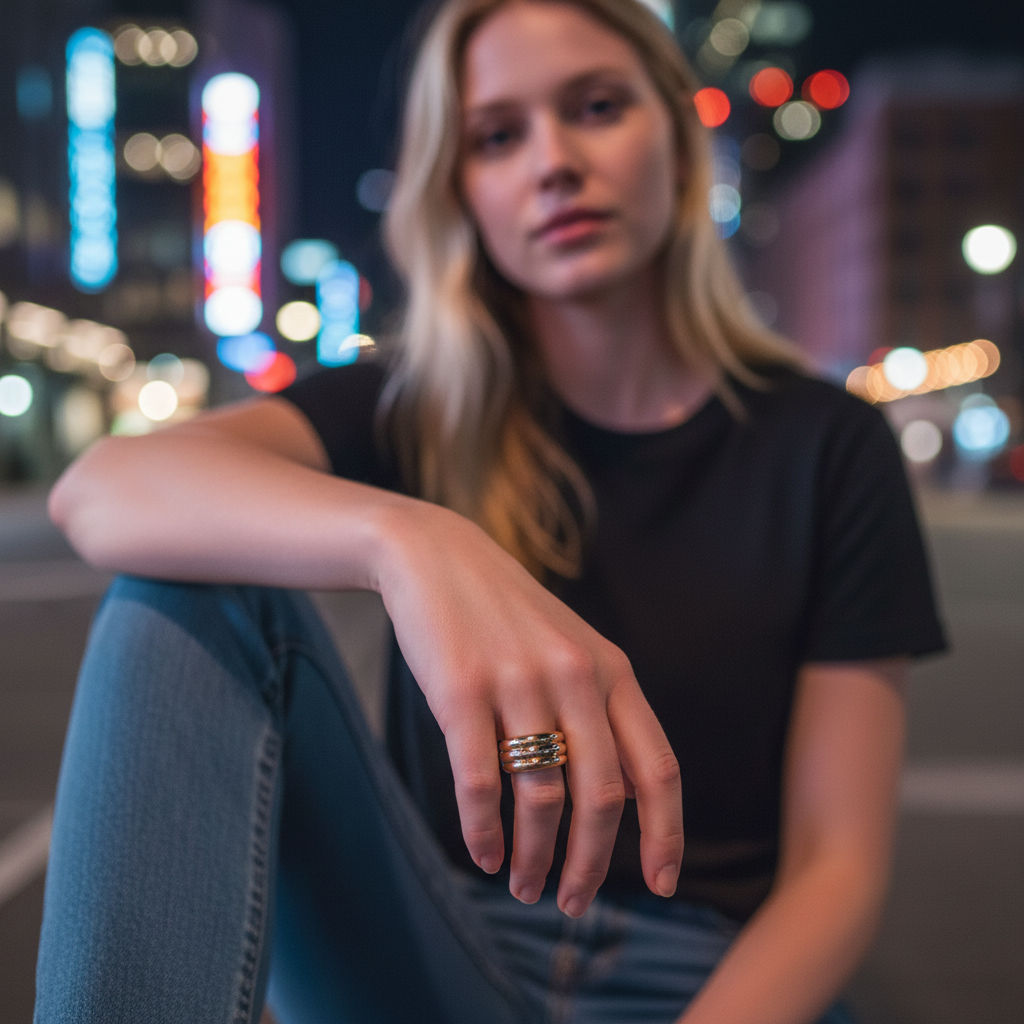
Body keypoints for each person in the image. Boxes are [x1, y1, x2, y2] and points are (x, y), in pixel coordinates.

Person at [35, 1, 946, 1022]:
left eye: (596, 107)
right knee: (191, 582)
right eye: (497, 136)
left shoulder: (827, 443)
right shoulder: (415, 408)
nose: (553, 162)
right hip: (438, 946)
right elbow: (100, 487)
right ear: (460, 191)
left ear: (681, 145)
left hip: (708, 975)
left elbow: (837, 870)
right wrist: (409, 540)